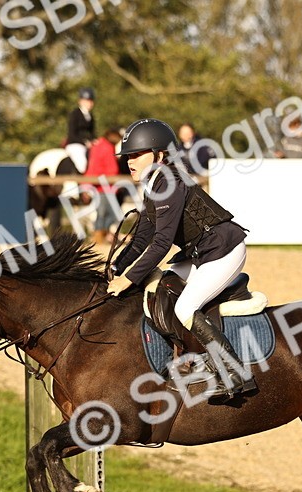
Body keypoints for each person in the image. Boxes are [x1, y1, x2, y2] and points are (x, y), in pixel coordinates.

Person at [108, 118, 256, 401]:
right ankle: (185, 354)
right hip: (201, 253)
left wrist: (128, 279)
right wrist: (116, 266)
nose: (130, 161)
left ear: (160, 155)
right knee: (163, 284)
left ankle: (234, 372)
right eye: (129, 156)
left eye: (137, 154)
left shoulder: (170, 182)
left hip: (224, 250)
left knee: (185, 307)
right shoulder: (154, 184)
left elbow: (162, 243)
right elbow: (141, 238)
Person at [85, 128, 124, 246]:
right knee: (107, 214)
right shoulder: (107, 147)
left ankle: (100, 235)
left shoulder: (98, 146)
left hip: (101, 185)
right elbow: (112, 168)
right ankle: (98, 237)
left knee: (104, 213)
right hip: (105, 186)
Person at [65, 87, 96, 173]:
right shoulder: (74, 114)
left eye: (91, 101)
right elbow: (72, 134)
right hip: (75, 144)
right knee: (82, 165)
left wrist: (94, 141)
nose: (89, 103)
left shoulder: (91, 116)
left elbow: (92, 133)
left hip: (87, 145)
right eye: (87, 101)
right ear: (80, 101)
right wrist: (85, 142)